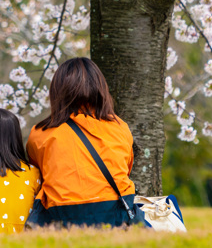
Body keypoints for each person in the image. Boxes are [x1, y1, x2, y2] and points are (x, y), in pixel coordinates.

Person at [25, 57, 137, 227]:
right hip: (114, 214)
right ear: (101, 89)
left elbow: (39, 173)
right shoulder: (121, 128)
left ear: (57, 92)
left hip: (62, 214)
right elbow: (125, 169)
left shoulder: (39, 134)